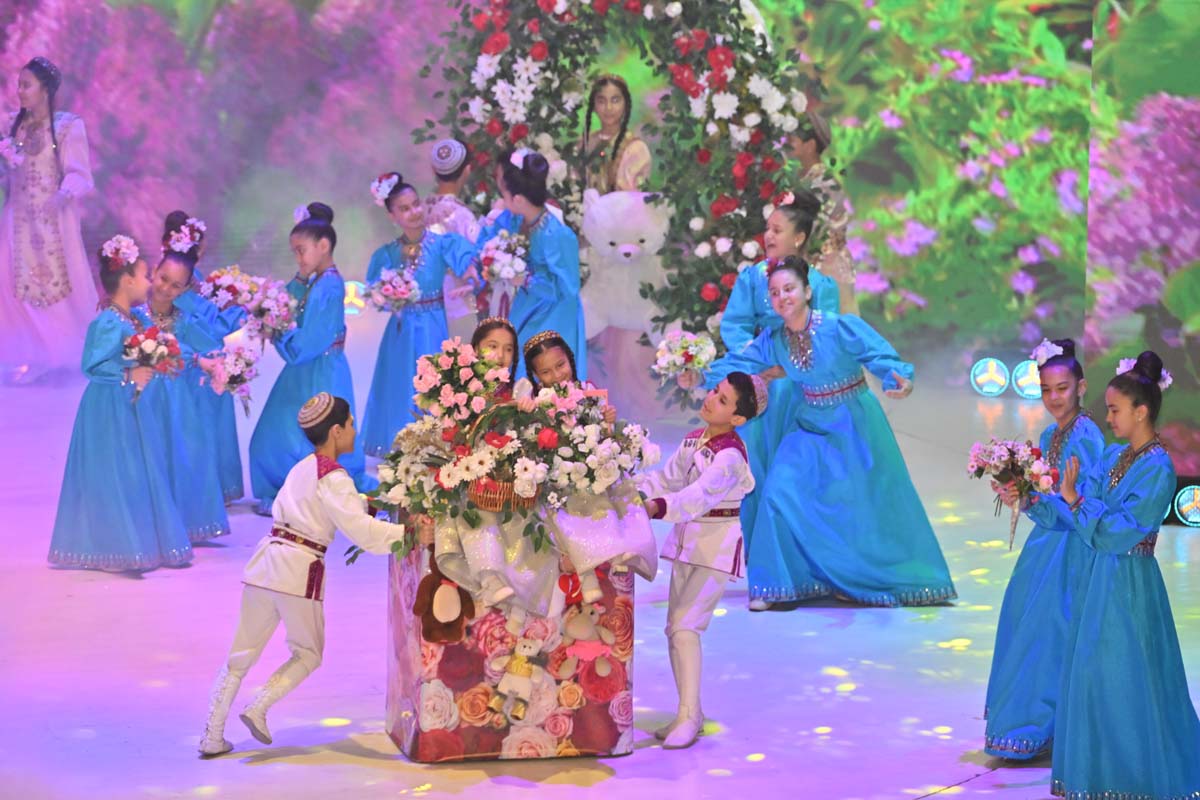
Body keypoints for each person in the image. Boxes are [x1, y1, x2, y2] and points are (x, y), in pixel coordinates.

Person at [710, 257, 956, 608]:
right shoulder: (774, 340)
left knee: (860, 505)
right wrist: (698, 374)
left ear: (807, 291)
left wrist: (897, 377)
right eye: (774, 293)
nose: (782, 297)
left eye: (789, 289)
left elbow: (877, 355)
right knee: (778, 491)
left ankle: (863, 576)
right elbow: (739, 363)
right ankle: (776, 585)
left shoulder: (840, 327)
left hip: (853, 421)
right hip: (809, 422)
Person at [199, 393, 417, 757]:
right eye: (350, 424)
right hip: (298, 571)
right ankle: (259, 705)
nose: (355, 431)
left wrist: (372, 503)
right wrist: (410, 534)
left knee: (240, 656)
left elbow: (330, 506)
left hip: (264, 564)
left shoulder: (303, 467)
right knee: (308, 654)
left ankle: (212, 734)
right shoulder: (335, 476)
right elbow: (361, 531)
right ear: (336, 431)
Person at [1044, 352, 1200, 799]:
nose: (1108, 417)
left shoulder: (1158, 467)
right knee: (1091, 671)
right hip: (1100, 578)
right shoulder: (1115, 455)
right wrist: (1045, 498)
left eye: (1115, 410)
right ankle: (1097, 774)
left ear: (1141, 411)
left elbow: (1119, 531)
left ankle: (1134, 778)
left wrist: (1078, 503)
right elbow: (1082, 504)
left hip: (1131, 583)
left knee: (1127, 674)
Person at [692, 189, 847, 565]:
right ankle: (757, 553)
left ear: (800, 237)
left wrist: (789, 363)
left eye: (778, 230)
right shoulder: (752, 278)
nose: (769, 236)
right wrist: (758, 359)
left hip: (802, 377)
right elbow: (736, 325)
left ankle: (803, 556)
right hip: (758, 372)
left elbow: (826, 337)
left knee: (801, 466)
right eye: (768, 229)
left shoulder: (821, 285)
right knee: (753, 455)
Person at [983, 338, 1104, 759]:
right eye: (1046, 389)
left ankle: (1038, 725)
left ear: (1081, 387)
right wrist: (1021, 494)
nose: (1053, 398)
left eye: (1062, 388)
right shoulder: (1052, 432)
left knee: (1047, 630)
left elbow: (1081, 508)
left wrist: (1032, 498)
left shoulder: (1087, 436)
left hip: (1070, 550)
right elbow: (1050, 501)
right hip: (1046, 545)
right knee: (1023, 617)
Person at [48, 235, 191, 571]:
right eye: (144, 275)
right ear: (127, 280)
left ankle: (134, 541)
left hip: (126, 404)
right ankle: (116, 546)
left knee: (133, 470)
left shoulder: (131, 319)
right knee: (113, 470)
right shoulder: (109, 322)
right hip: (107, 407)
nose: (150, 282)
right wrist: (128, 374)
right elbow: (92, 365)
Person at [638, 372, 764, 749]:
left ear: (737, 418)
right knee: (675, 629)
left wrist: (656, 507)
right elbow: (667, 480)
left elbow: (697, 497)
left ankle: (690, 716)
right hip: (686, 544)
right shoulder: (694, 439)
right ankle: (687, 712)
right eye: (714, 391)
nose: (711, 399)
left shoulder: (730, 457)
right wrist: (632, 490)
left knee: (685, 628)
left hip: (714, 548)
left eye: (723, 400)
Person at [248, 203, 373, 514]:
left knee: (312, 434)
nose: (298, 258)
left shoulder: (329, 286)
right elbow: (287, 301)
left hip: (321, 371)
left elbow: (306, 344)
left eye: (301, 250)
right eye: (295, 252)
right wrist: (269, 310)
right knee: (278, 434)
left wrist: (278, 332)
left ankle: (312, 492)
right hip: (306, 370)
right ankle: (298, 489)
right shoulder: (313, 280)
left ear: (323, 246)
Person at [139, 214, 247, 541]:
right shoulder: (135, 314)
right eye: (163, 279)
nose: (166, 289)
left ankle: (178, 519)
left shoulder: (185, 316)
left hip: (177, 398)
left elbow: (208, 345)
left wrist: (221, 364)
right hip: (142, 397)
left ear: (185, 287)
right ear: (153, 272)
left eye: (176, 286)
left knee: (182, 452)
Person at [360, 173, 476, 457]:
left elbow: (470, 264)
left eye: (416, 204)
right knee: (399, 384)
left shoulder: (442, 244)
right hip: (401, 330)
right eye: (404, 208)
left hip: (433, 324)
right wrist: (388, 297)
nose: (414, 212)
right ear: (392, 216)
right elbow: (374, 293)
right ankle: (402, 447)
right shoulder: (387, 255)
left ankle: (433, 447)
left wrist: (472, 281)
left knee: (433, 384)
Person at [0, 56, 97, 383]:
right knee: (11, 285)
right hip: (17, 221)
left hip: (53, 223)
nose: (20, 91)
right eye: (19, 85)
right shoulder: (13, 126)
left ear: (45, 90)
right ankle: (32, 356)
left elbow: (80, 173)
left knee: (55, 287)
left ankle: (61, 355)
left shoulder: (67, 126)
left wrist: (62, 196)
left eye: (26, 85)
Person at [474, 149, 587, 381]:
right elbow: (488, 239)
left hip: (554, 315)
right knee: (516, 370)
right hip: (527, 305)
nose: (502, 201)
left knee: (541, 374)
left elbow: (568, 290)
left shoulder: (556, 235)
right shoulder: (516, 219)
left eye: (505, 195)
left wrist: (525, 279)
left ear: (517, 199)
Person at [423, 138, 482, 341]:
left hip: (426, 304)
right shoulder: (462, 214)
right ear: (467, 170)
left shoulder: (420, 209)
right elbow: (478, 257)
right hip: (457, 304)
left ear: (434, 169)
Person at [579, 73, 651, 195]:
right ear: (594, 105)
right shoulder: (585, 143)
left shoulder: (636, 149)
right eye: (601, 101)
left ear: (625, 104)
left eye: (615, 100)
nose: (609, 107)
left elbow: (631, 198)